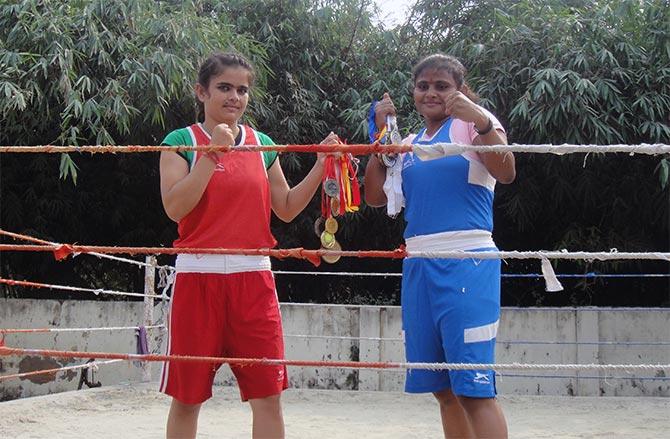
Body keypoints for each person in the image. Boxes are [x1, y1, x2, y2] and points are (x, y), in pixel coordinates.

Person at [158, 52, 336, 439]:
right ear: (201, 91)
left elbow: (286, 208)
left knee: (268, 396)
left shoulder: (262, 144)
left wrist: (321, 165)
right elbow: (175, 207)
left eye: (242, 89)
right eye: (224, 87)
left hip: (254, 281)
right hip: (197, 279)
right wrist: (210, 157)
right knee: (187, 399)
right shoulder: (179, 141)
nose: (234, 97)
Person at [364, 53, 515, 439]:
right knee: (443, 389)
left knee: (475, 388)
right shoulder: (410, 143)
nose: (431, 92)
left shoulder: (474, 127)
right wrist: (380, 138)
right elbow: (375, 199)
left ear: (460, 90)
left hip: (467, 259)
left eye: (442, 85)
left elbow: (507, 170)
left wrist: (479, 117)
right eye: (423, 85)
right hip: (419, 262)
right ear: (413, 91)